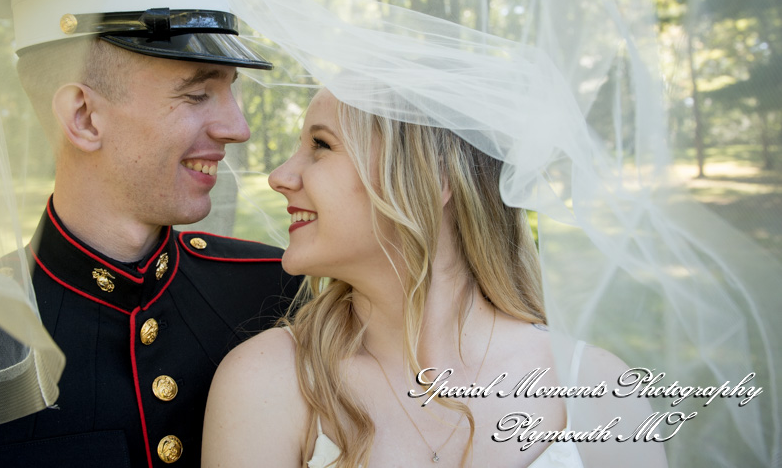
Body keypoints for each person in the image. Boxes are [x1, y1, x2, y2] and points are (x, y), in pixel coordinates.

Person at [0, 0, 299, 468]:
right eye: (197, 94)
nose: (237, 128)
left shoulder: (279, 294)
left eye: (231, 91)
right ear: (83, 116)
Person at [201, 88, 669, 468]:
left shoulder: (596, 387)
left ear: (432, 177)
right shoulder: (268, 381)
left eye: (321, 146)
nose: (280, 176)